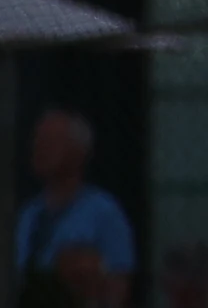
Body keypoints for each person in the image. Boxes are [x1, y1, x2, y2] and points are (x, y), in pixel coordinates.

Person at [15, 108, 136, 285]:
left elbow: (118, 283)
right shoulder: (27, 215)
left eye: (51, 141)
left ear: (79, 151)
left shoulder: (105, 214)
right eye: (37, 139)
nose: (39, 147)